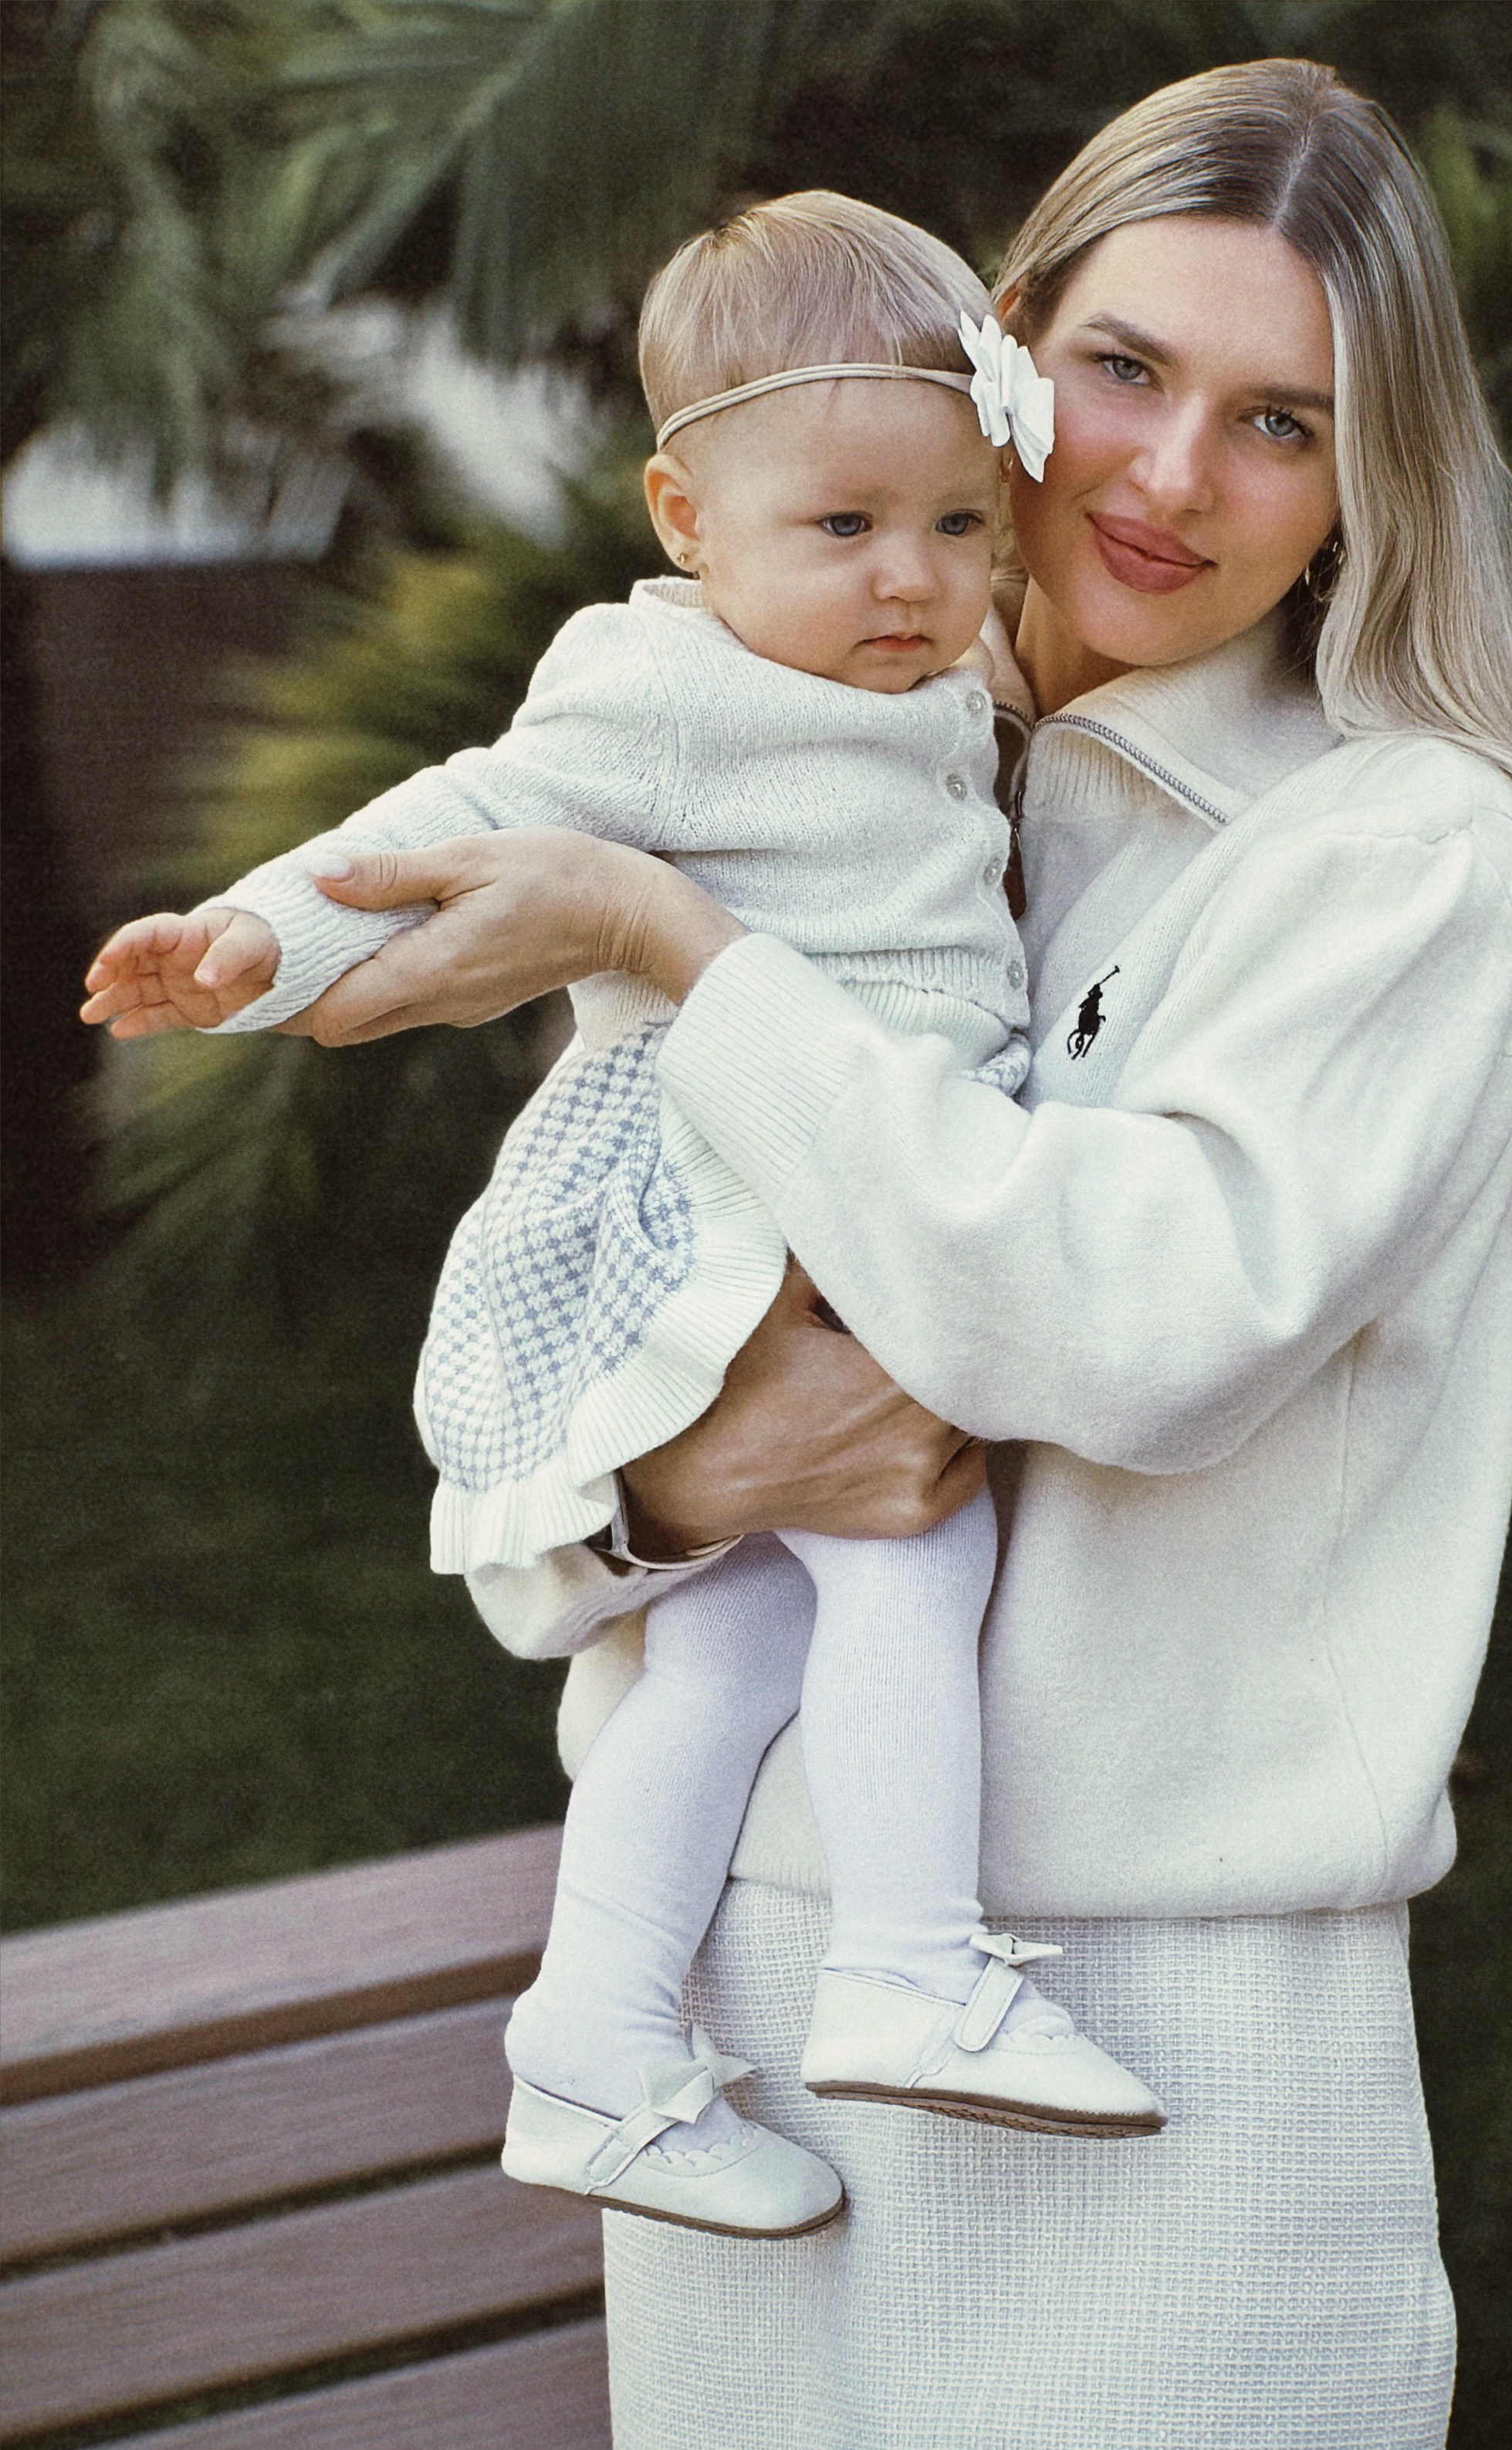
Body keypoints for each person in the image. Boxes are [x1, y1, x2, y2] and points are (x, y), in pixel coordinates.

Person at [117, 57, 1512, 2450]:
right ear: (1004, 353)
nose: (1171, 474)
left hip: (1166, 2033)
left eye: (1281, 421)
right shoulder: (844, 752)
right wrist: (664, 1489)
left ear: (1365, 480)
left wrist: (667, 936)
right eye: (1128, 371)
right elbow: (585, 1422)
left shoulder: (1398, 848)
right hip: (745, 2007)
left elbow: (1126, 1331)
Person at [79, 195, 1165, 2240]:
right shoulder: (664, 686)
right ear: (686, 515)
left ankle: (587, 2046)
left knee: (735, 1639)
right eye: (843, 526)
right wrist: (259, 934)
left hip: (853, 1157)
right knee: (914, 1540)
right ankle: (911, 1966)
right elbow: (460, 818)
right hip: (757, 1183)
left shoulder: (928, 668)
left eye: (959, 523)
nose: (912, 578)